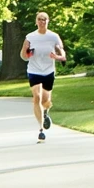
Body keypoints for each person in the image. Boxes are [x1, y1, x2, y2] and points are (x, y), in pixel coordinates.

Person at [20, 11, 65, 143]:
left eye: (44, 19)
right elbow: (23, 57)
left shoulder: (53, 36)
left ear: (48, 21)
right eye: (39, 19)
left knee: (46, 100)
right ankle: (41, 130)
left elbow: (61, 51)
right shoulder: (30, 37)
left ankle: (45, 113)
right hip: (34, 70)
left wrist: (58, 56)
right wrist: (25, 49)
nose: (42, 21)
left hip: (48, 71)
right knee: (37, 97)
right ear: (36, 21)